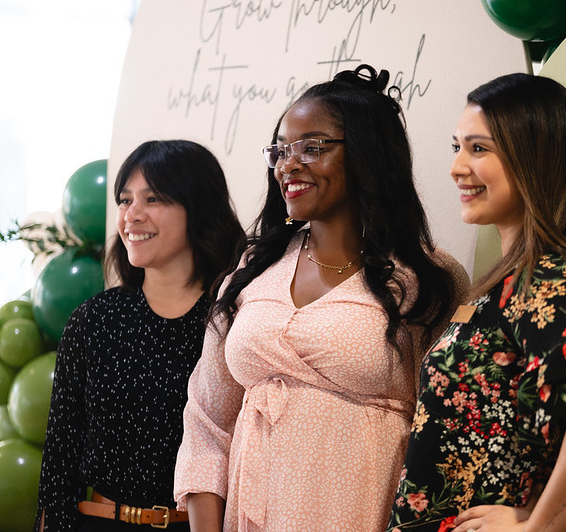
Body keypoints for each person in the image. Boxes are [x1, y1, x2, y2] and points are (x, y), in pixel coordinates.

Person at [173, 64, 471, 531]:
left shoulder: (427, 280)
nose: (288, 165)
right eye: (281, 150)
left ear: (368, 155)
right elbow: (208, 425)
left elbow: (449, 433)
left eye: (312, 148)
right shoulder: (251, 275)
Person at [386, 73, 566, 532]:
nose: (457, 167)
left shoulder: (550, 278)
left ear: (536, 158)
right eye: (457, 147)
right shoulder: (509, 281)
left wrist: (538, 527)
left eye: (479, 148)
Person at [35, 140, 246, 532]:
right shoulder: (93, 320)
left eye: (153, 199)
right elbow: (59, 463)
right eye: (125, 200)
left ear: (198, 207)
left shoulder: (234, 322)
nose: (132, 215)